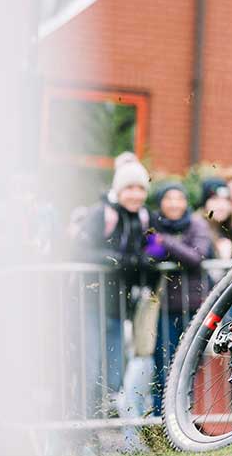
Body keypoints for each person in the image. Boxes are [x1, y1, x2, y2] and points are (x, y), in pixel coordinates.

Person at [74, 153, 153, 415]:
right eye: (130, 188)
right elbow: (80, 251)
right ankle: (82, 429)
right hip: (89, 304)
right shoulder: (101, 214)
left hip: (119, 306)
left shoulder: (142, 217)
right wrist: (119, 260)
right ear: (119, 189)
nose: (136, 194)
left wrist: (147, 261)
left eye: (141, 188)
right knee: (89, 369)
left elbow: (151, 249)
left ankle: (95, 424)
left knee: (113, 375)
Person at [147, 182, 213, 414]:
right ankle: (160, 421)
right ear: (160, 203)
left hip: (193, 308)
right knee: (163, 367)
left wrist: (167, 242)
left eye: (179, 198)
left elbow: (196, 257)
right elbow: (151, 257)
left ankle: (185, 420)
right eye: (168, 198)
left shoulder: (197, 225)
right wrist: (162, 246)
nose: (174, 203)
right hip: (166, 308)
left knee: (189, 368)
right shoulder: (153, 225)